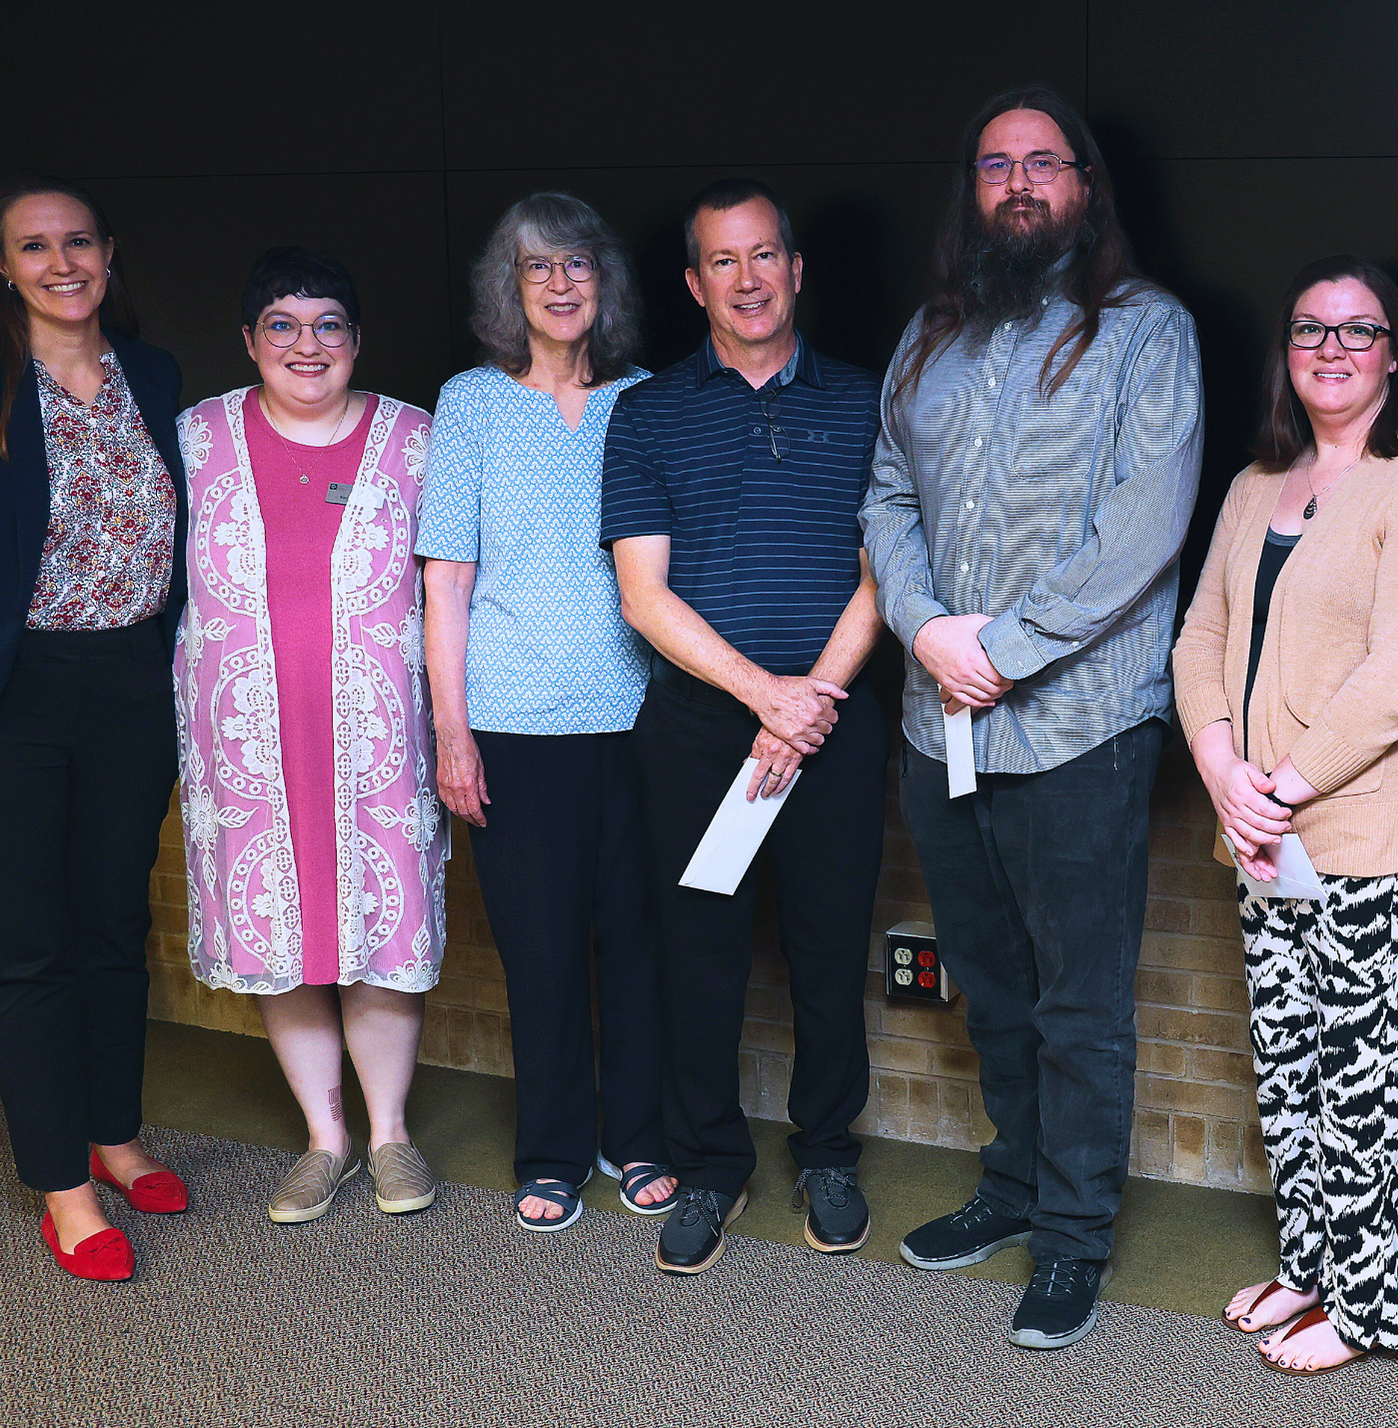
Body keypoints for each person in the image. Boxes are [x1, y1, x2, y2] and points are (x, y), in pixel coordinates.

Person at [861, 85, 1203, 1350]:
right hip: (932, 721)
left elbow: (1143, 530)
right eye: (994, 164)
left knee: (1077, 1004)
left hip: (1077, 729)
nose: (1016, 183)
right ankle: (1009, 1190)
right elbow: (885, 495)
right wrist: (922, 628)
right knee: (989, 986)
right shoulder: (927, 335)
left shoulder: (1146, 331)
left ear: (1084, 185)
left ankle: (1072, 1239)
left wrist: (996, 651)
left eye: (1041, 163)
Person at [1172, 257, 1398, 1374]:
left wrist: (1278, 784)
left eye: (1358, 332)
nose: (1331, 349)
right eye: (1309, 328)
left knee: (1376, 1079)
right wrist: (1220, 767)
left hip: (1385, 835)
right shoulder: (1259, 484)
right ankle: (1313, 1274)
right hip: (1266, 832)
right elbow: (1199, 637)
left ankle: (1375, 1309)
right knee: (1292, 1066)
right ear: (1286, 351)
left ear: (1393, 352)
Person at [603, 178, 886, 1275]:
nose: (748, 278)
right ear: (693, 283)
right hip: (697, 732)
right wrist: (763, 699)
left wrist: (806, 699)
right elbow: (643, 596)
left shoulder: (867, 402)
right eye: (723, 261)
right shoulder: (651, 412)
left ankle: (827, 1153)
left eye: (764, 254)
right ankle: (709, 1164)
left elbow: (882, 574)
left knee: (826, 952)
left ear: (796, 268)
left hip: (832, 727)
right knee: (701, 956)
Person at [175, 248, 446, 1224]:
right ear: (249, 341)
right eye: (281, 325)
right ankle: (323, 1140)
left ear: (358, 340)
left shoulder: (415, 440)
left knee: (378, 931)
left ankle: (388, 1136)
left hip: (379, 743)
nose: (306, 344)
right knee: (278, 939)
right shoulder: (195, 437)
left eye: (328, 323)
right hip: (245, 748)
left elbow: (455, 587)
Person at [416, 193, 670, 1232]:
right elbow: (446, 585)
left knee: (641, 944)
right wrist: (451, 733)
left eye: (578, 264)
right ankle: (554, 1151)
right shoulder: (470, 404)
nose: (561, 284)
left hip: (643, 720)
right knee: (544, 954)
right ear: (506, 289)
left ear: (602, 282)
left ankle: (640, 1138)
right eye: (537, 268)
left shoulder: (647, 399)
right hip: (514, 725)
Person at [0, 175, 189, 1281]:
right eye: (35, 246)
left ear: (110, 254)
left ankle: (114, 1135)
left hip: (134, 680)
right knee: (32, 946)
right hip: (27, 692)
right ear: (8, 265)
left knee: (119, 922)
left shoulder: (152, 374)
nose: (61, 262)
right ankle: (61, 1185)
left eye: (79, 242)